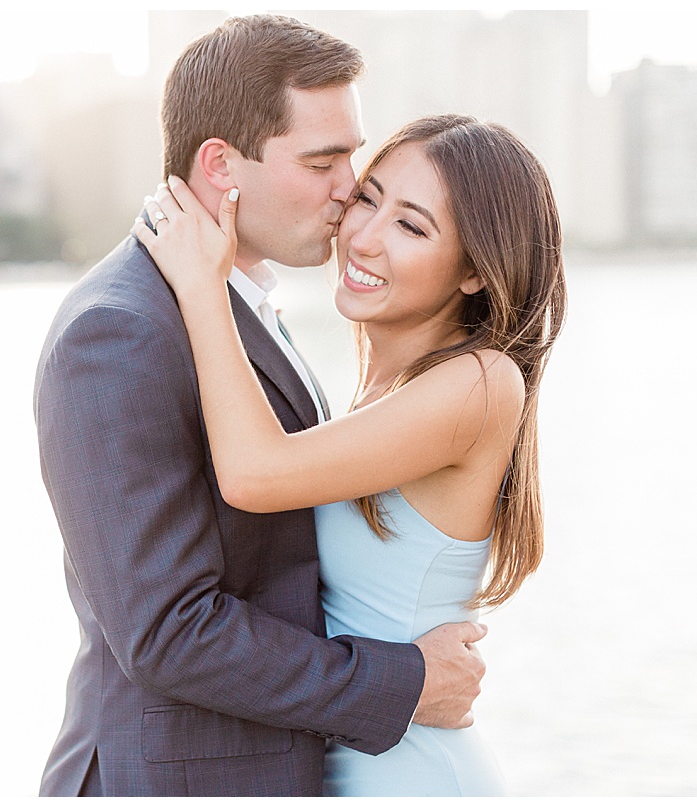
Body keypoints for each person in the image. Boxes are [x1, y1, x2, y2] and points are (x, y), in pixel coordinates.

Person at [34, 15, 488, 798]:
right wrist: (401, 681)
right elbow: (169, 633)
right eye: (322, 161)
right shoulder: (120, 331)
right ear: (221, 166)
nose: (351, 186)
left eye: (352, 153)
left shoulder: (237, 303)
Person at [132, 113, 567, 795]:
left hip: (413, 777)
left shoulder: (480, 383)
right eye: (369, 198)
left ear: (476, 274)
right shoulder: (381, 388)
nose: (362, 237)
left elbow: (253, 472)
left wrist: (202, 284)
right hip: (351, 761)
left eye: (412, 226)